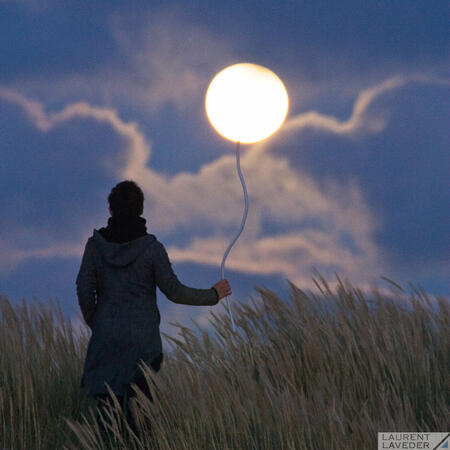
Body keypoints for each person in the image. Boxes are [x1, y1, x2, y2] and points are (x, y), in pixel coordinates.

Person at [76, 180, 231, 437]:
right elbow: (174, 291)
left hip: (106, 338)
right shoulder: (152, 249)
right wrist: (213, 295)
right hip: (142, 341)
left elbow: (84, 288)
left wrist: (97, 321)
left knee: (107, 418)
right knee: (141, 417)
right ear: (140, 210)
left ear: (111, 210)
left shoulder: (95, 246)